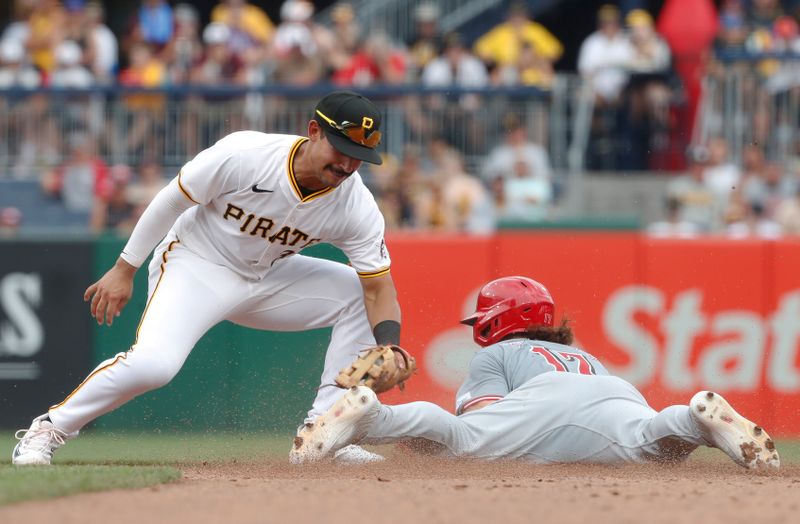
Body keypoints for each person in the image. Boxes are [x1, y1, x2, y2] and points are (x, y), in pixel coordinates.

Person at [12, 90, 406, 466]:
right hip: (197, 265)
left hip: (269, 276)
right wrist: (124, 267)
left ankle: (323, 435)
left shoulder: (355, 203)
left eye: (359, 157)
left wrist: (390, 345)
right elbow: (172, 199)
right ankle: (49, 428)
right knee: (154, 366)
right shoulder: (247, 155)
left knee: (355, 292)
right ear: (314, 131)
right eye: (342, 150)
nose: (348, 166)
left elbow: (377, 288)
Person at [291, 276, 780, 470]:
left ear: (501, 321)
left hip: (539, 403)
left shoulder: (496, 354)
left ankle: (370, 417)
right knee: (655, 441)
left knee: (460, 440)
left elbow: (481, 421)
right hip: (616, 392)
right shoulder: (585, 356)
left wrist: (408, 454)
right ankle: (697, 418)